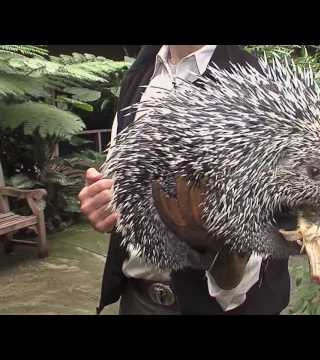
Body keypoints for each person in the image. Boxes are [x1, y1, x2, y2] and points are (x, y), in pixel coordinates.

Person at [78, 45, 291, 315]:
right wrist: (106, 203)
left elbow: (269, 222)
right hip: (138, 300)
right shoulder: (140, 73)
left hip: (223, 307)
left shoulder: (260, 82)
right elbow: (119, 183)